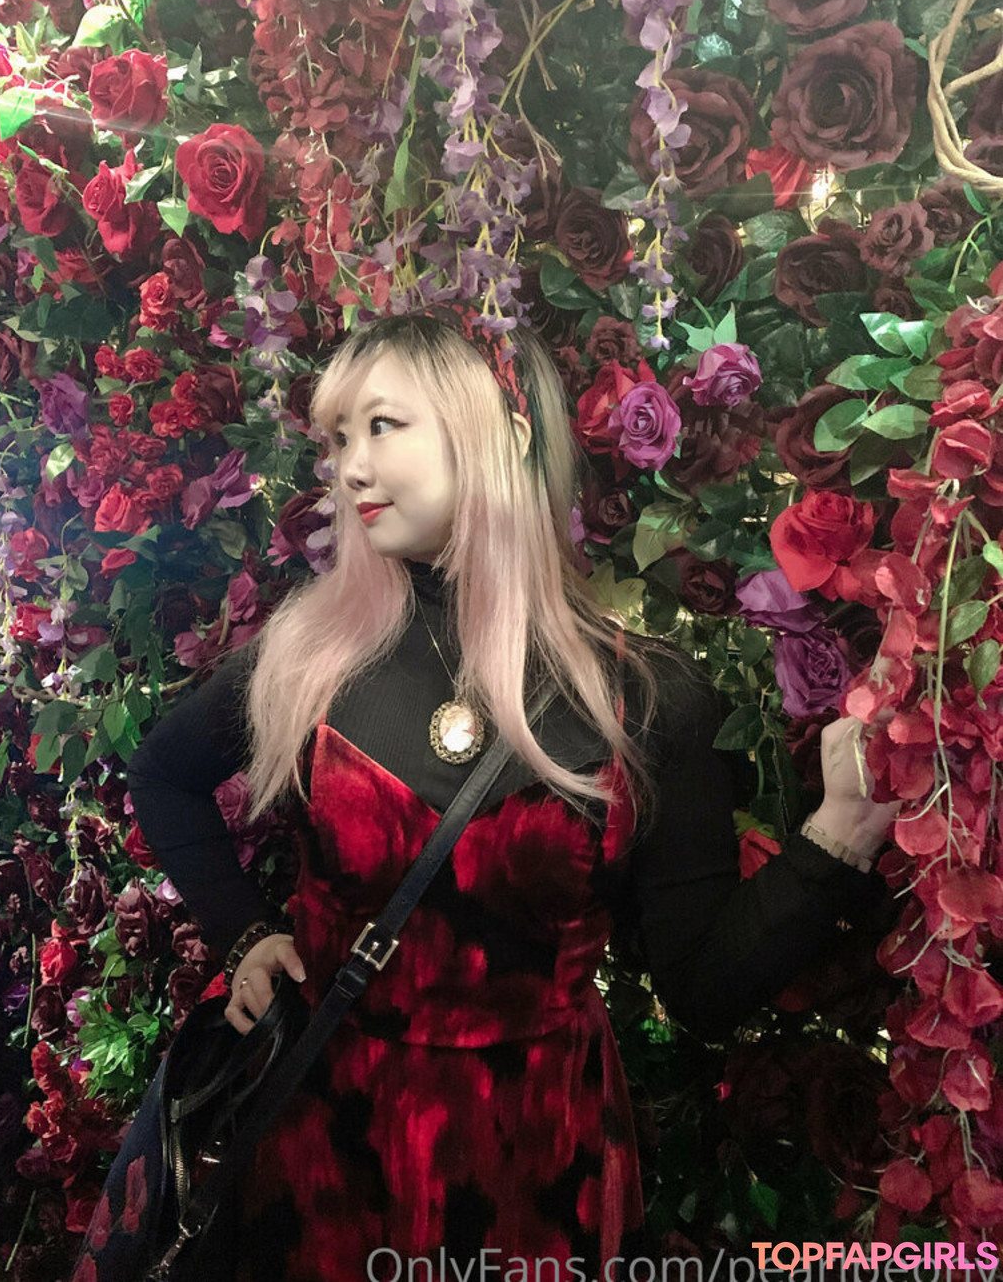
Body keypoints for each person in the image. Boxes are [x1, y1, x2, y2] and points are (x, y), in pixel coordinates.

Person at [120, 313, 896, 1280]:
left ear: (504, 431)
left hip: (537, 1170)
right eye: (339, 436)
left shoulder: (646, 698)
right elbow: (163, 776)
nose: (350, 467)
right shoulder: (307, 655)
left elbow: (702, 988)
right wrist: (245, 933)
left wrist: (838, 833)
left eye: (382, 425)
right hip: (320, 1147)